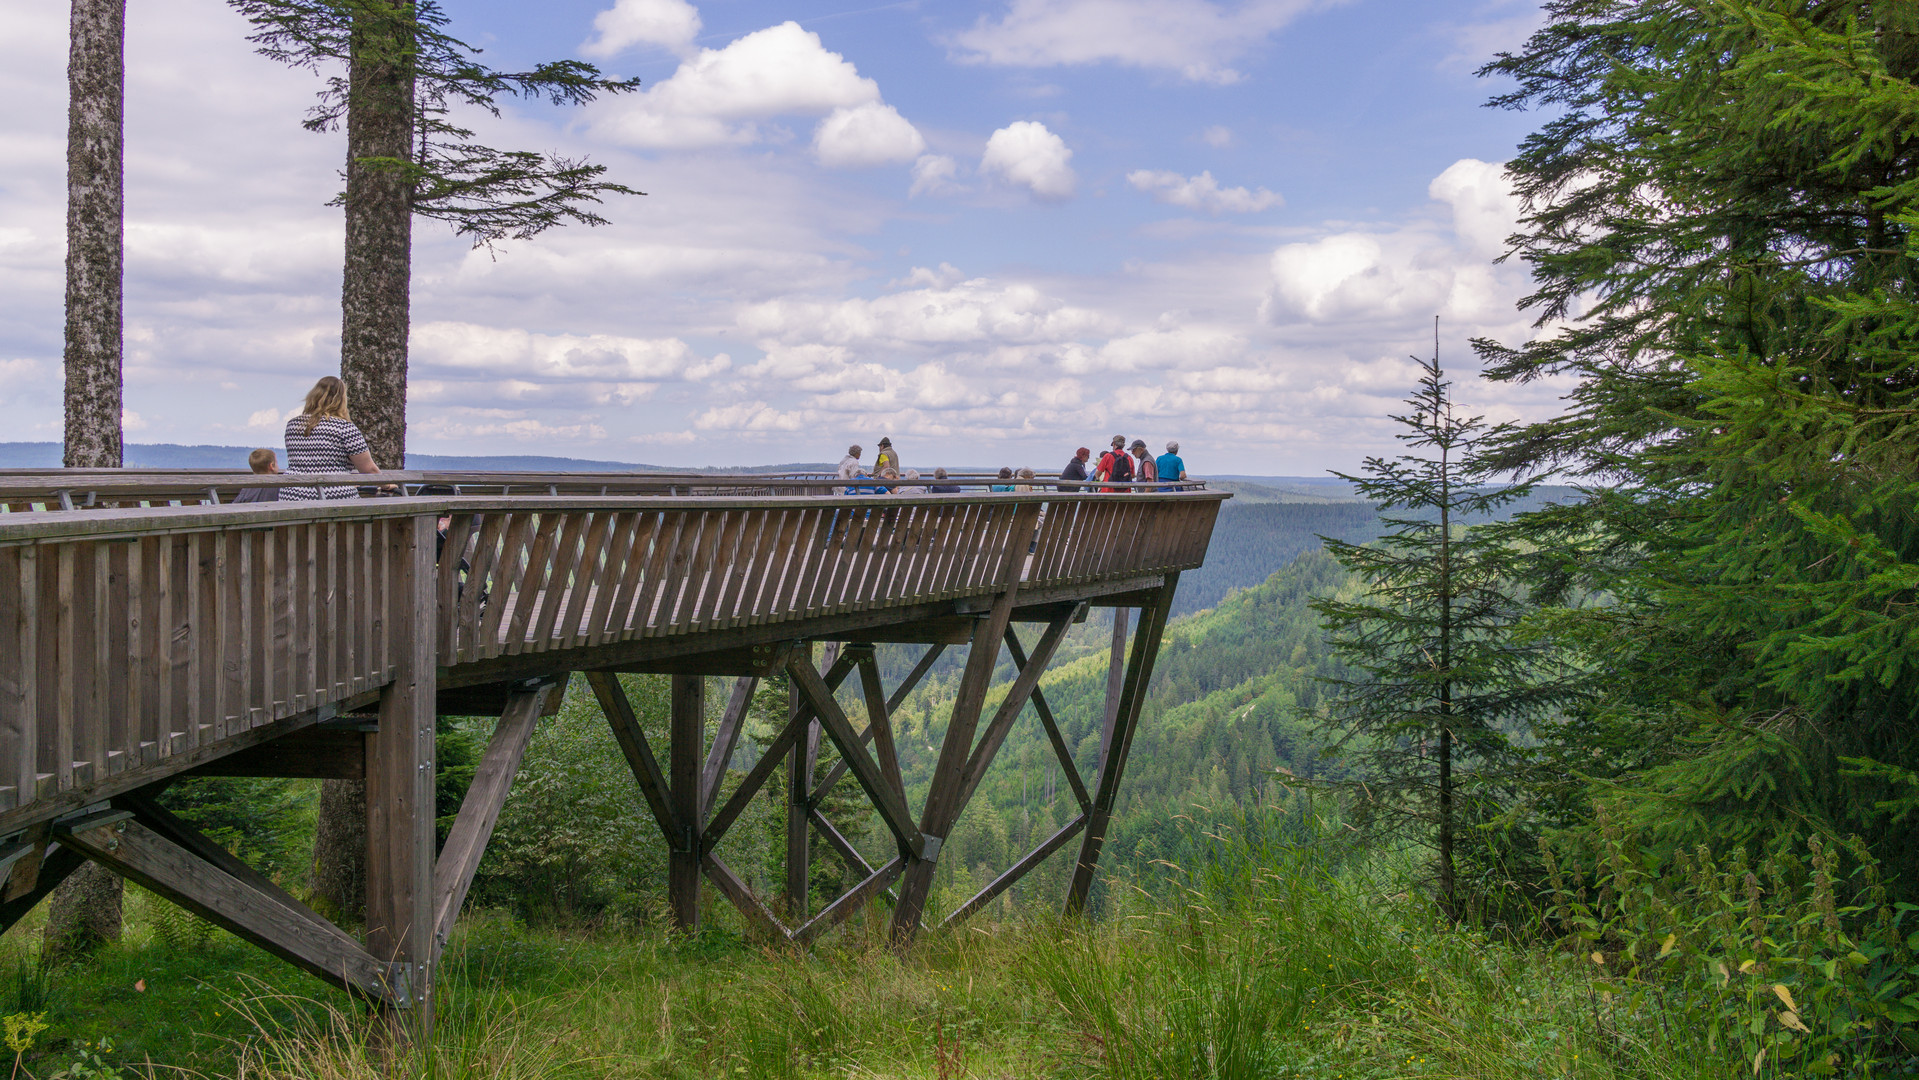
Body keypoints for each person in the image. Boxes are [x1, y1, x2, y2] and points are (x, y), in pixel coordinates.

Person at [282, 375, 385, 501]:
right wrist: (389, 484)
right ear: (341, 400)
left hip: (292, 495)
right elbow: (369, 469)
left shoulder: (292, 425)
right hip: (334, 496)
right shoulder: (344, 427)